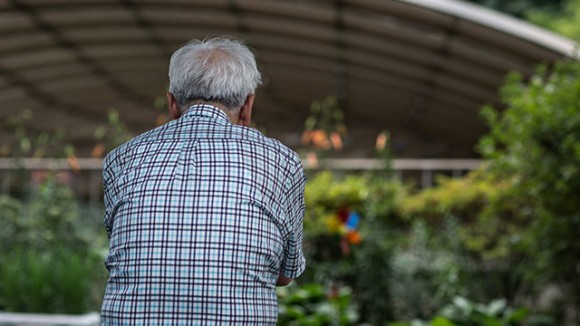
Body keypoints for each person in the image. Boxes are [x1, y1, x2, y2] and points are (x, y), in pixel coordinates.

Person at [100, 37, 306, 325]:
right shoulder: (281, 161)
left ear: (172, 103)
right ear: (248, 106)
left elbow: (127, 253)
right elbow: (286, 273)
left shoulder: (121, 159)